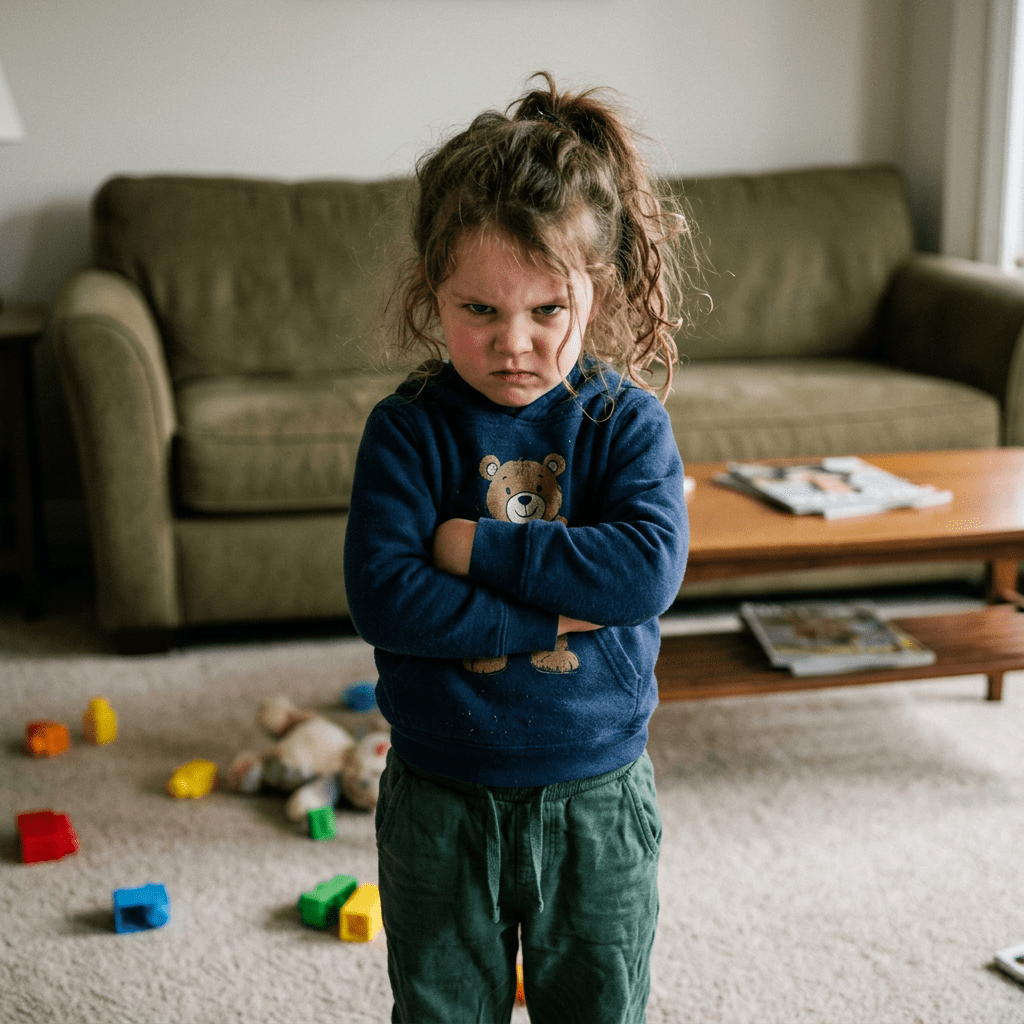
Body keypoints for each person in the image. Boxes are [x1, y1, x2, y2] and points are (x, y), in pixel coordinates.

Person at [344, 71, 702, 1024]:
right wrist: (565, 604)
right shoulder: (408, 429)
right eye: (480, 311)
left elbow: (646, 571)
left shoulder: (624, 423)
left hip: (598, 799)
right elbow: (387, 599)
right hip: (438, 798)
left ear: (599, 293)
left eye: (548, 310)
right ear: (433, 294)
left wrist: (467, 546)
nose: (515, 344)